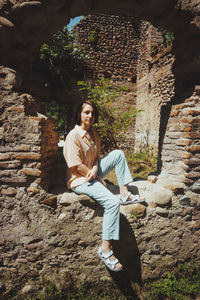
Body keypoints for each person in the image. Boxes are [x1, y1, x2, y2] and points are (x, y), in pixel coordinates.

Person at [63, 100, 144, 272]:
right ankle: (105, 249)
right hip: (79, 180)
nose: (90, 116)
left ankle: (124, 193)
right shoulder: (73, 136)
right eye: (86, 112)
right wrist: (98, 179)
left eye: (92, 113)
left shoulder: (94, 134)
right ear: (79, 114)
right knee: (112, 204)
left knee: (118, 154)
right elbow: (75, 165)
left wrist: (95, 169)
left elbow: (95, 160)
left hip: (92, 173)